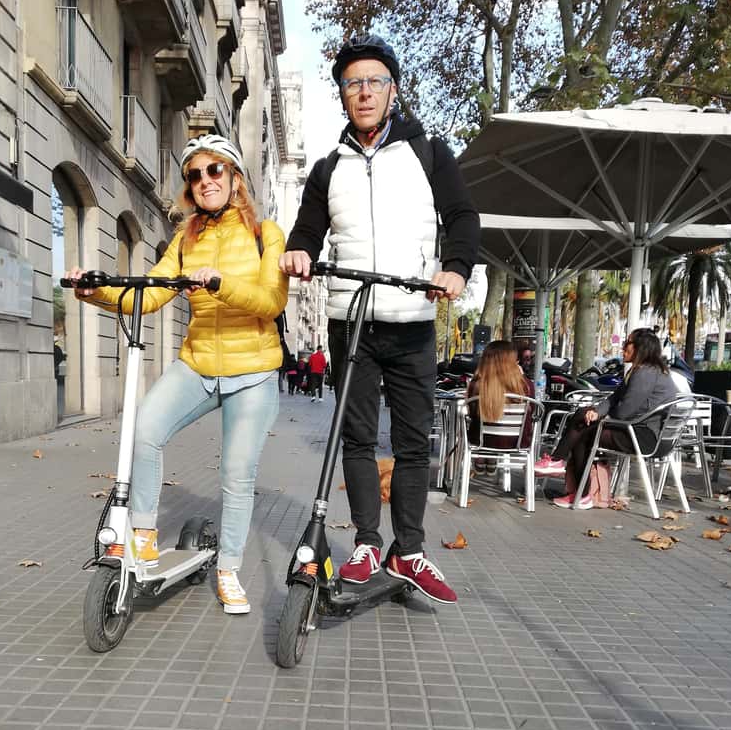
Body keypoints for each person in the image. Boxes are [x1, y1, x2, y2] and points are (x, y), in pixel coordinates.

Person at [279, 35, 480, 604]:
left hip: (412, 318)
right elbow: (307, 229)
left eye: (374, 82)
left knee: (415, 441)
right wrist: (298, 251)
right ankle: (368, 543)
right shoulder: (328, 168)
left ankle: (409, 549)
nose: (363, 92)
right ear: (342, 96)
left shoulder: (430, 154)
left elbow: (463, 216)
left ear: (392, 91)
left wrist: (457, 269)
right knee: (359, 438)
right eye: (352, 84)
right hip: (352, 321)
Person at [69, 134, 289, 614]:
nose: (205, 181)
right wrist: (97, 290)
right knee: (144, 429)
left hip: (253, 372)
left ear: (234, 178)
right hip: (198, 364)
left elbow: (272, 302)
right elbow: (149, 294)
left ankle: (229, 569)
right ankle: (144, 534)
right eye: (195, 175)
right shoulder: (186, 238)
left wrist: (220, 283)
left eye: (214, 171)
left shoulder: (265, 234)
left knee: (235, 474)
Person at [535, 327, 679, 509]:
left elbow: (624, 412)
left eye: (628, 343)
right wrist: (596, 412)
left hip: (644, 437)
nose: (623, 347)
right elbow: (613, 398)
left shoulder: (645, 373)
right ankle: (571, 481)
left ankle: (568, 476)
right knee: (584, 419)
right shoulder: (645, 371)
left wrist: (598, 417)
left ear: (640, 347)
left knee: (583, 427)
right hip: (639, 432)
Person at [466, 340, 535, 450]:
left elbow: (472, 413)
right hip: (517, 442)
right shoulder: (526, 385)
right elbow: (532, 411)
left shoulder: (477, 385)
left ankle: (483, 460)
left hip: (481, 441)